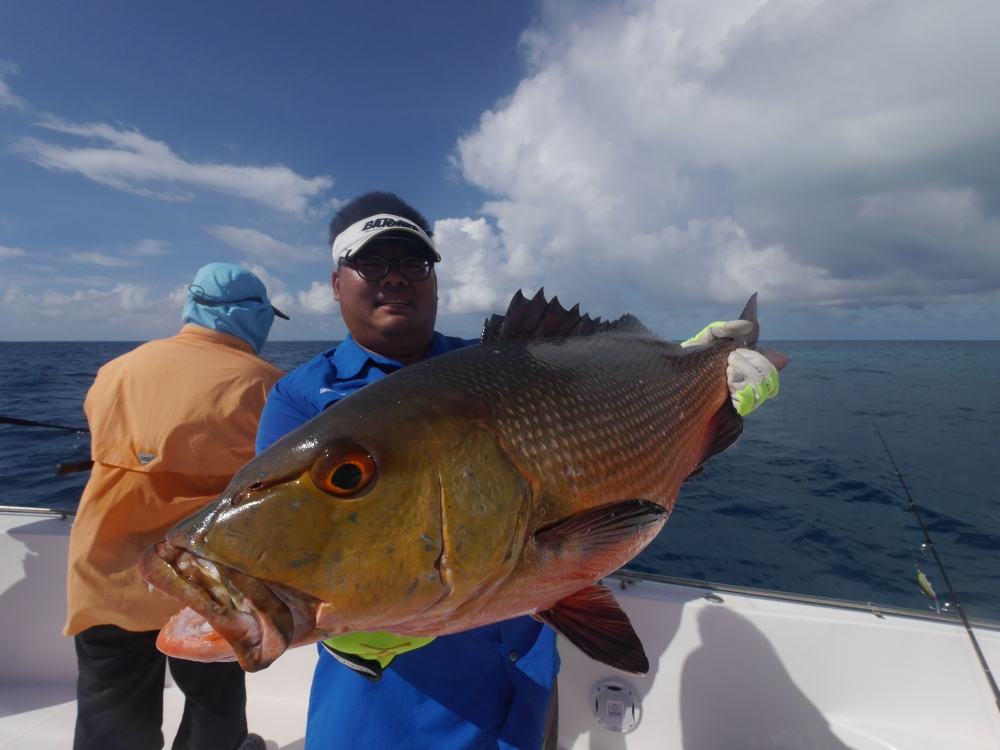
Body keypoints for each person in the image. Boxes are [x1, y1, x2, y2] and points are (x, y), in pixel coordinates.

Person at [255, 192, 781, 750]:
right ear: (337, 282)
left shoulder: (508, 362)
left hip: (525, 685)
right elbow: (286, 548)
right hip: (391, 712)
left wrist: (700, 391)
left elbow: (626, 449)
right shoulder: (301, 399)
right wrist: (359, 636)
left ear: (434, 280)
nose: (396, 278)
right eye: (371, 262)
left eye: (414, 263)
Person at [64, 262, 287, 750]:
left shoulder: (115, 371)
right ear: (251, 315)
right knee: (215, 704)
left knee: (110, 708)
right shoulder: (268, 385)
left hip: (106, 575)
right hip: (205, 585)